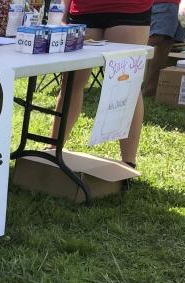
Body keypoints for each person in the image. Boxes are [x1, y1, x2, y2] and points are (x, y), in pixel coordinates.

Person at [53, 0, 153, 168]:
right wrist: (64, 12)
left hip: (129, 9)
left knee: (128, 86)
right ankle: (53, 150)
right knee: (70, 84)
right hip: (84, 10)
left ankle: (128, 164)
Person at [142, 0, 185, 97]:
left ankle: (151, 89)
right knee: (157, 38)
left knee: (167, 43)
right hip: (165, 3)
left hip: (182, 5)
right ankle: (127, 80)